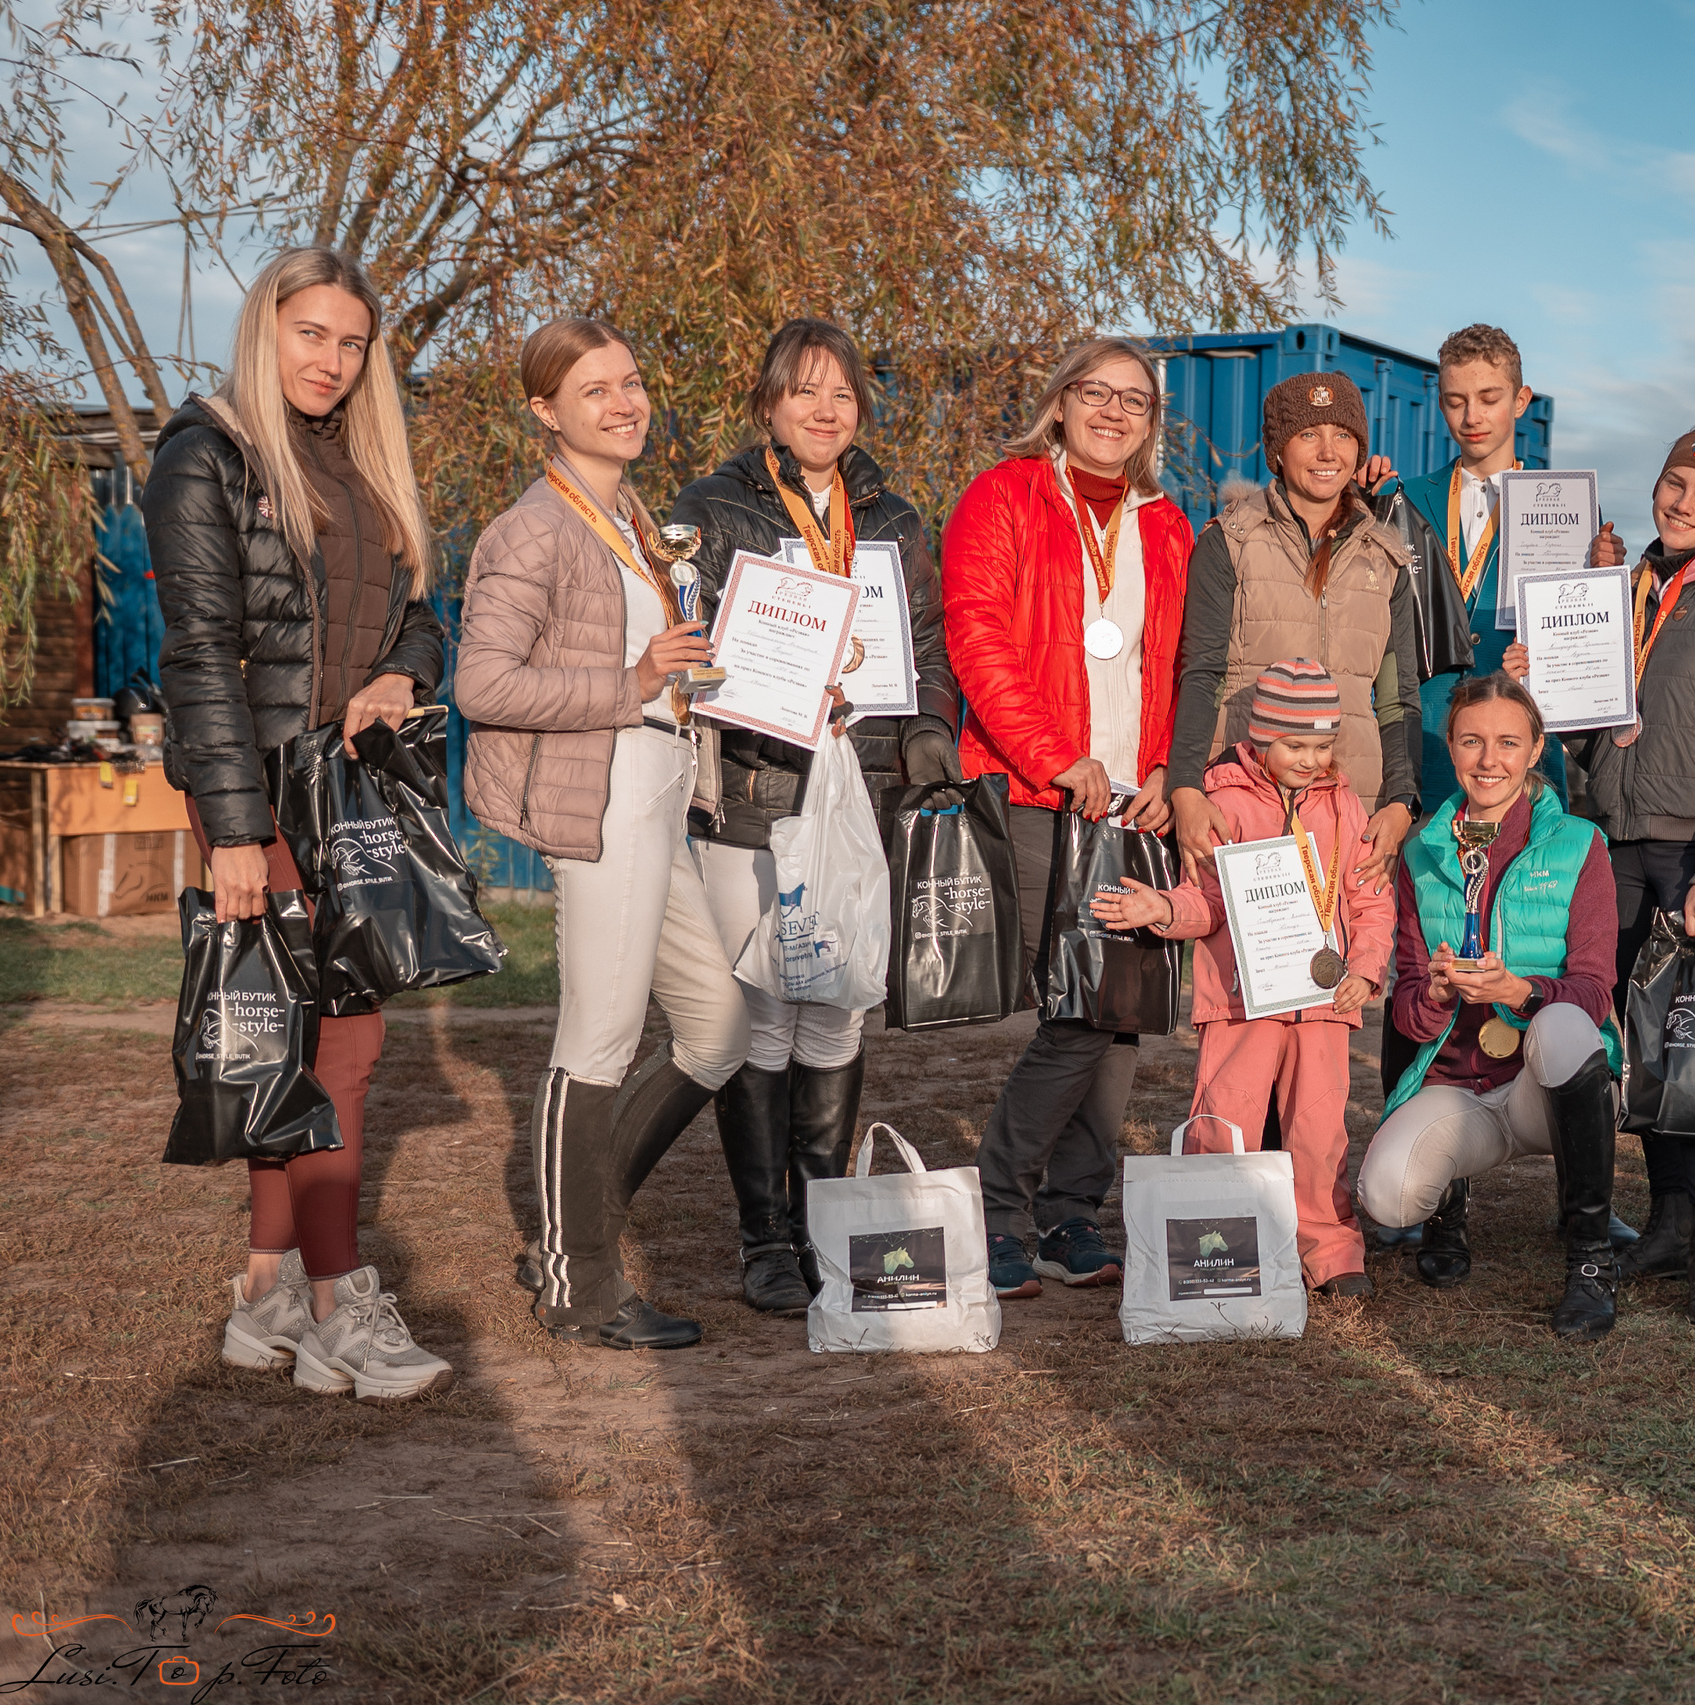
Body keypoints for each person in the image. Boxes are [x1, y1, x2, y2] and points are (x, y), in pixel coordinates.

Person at [148, 244, 455, 1401]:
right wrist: (232, 828)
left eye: (351, 343)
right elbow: (198, 660)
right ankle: (338, 1308)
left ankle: (265, 1288)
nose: (331, 360)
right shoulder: (208, 457)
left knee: (301, 1040)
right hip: (260, 791)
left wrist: (402, 678)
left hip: (349, 789)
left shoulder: (358, 462)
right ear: (265, 328)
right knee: (344, 1046)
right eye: (310, 334)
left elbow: (420, 617)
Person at [454, 316, 748, 1351]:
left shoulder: (632, 515)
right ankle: (580, 1284)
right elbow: (481, 682)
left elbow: (668, 662)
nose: (625, 403)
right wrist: (630, 683)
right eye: (595, 391)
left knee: (719, 1029)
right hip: (604, 801)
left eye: (631, 382)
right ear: (544, 410)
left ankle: (575, 1230)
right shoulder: (535, 528)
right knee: (599, 1040)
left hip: (663, 801)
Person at [665, 318, 960, 1314]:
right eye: (803, 392)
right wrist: (753, 682)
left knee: (835, 998)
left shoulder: (898, 520)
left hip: (857, 789)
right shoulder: (709, 511)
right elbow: (687, 647)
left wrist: (927, 737)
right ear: (768, 406)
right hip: (752, 787)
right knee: (761, 1005)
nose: (824, 411)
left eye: (841, 394)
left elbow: (925, 650)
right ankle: (764, 1235)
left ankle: (822, 1218)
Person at [1505, 423, 1695, 1325]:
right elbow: (1590, 724)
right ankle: (1660, 1221)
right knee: (1630, 1037)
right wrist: (1535, 679)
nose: (1683, 503)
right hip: (1607, 841)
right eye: (1675, 484)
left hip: (1690, 851)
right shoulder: (1620, 589)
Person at [938, 336, 1193, 1299]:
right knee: (1075, 1016)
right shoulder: (1002, 496)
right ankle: (1004, 1207)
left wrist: (1167, 765)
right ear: (1059, 404)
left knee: (1120, 1014)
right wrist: (1055, 757)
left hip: (1136, 801)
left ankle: (1072, 1217)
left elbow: (1178, 666)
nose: (1116, 412)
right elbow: (977, 635)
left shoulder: (1169, 525)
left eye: (1137, 400)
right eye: (1098, 393)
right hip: (1041, 793)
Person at [1368, 324, 1628, 1247]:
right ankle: (1439, 1206)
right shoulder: (1402, 500)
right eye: (1454, 400)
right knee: (1425, 963)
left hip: (1520, 765)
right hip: (1430, 752)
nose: (1471, 416)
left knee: (1534, 957)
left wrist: (1596, 598)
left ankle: (1585, 1210)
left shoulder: (1561, 509)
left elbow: (1593, 653)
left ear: (1523, 401)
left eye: (1489, 397)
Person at [1095, 660, 1394, 1299]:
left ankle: (1330, 1247)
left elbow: (1369, 898)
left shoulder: (1343, 804)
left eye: (1322, 746)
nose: (1311, 760)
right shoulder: (1220, 801)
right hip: (1238, 1002)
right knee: (1224, 1120)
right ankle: (1217, 1246)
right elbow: (1206, 900)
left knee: (1319, 1131)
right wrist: (1162, 910)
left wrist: (1367, 970)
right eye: (1296, 745)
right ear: (1260, 738)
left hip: (1323, 1003)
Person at [1357, 673, 1626, 1340]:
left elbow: (1594, 989)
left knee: (1564, 1023)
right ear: (1449, 746)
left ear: (1536, 748)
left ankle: (1590, 1258)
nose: (1489, 759)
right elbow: (1411, 1009)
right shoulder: (1421, 849)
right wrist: (1439, 991)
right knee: (1385, 1197)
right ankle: (1448, 1203)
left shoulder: (1581, 844)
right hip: (1461, 1090)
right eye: (1472, 741)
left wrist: (1521, 992)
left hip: (1546, 1084)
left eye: (1508, 741)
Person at [1167, 371, 1421, 883]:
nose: (1328, 452)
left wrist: (1400, 802)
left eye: (1343, 435)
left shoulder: (1388, 558)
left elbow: (1399, 700)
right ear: (1277, 450)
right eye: (1309, 434)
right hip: (1243, 800)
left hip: (1353, 808)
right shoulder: (1229, 543)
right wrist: (1186, 787)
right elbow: (1201, 674)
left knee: (1353, 959)